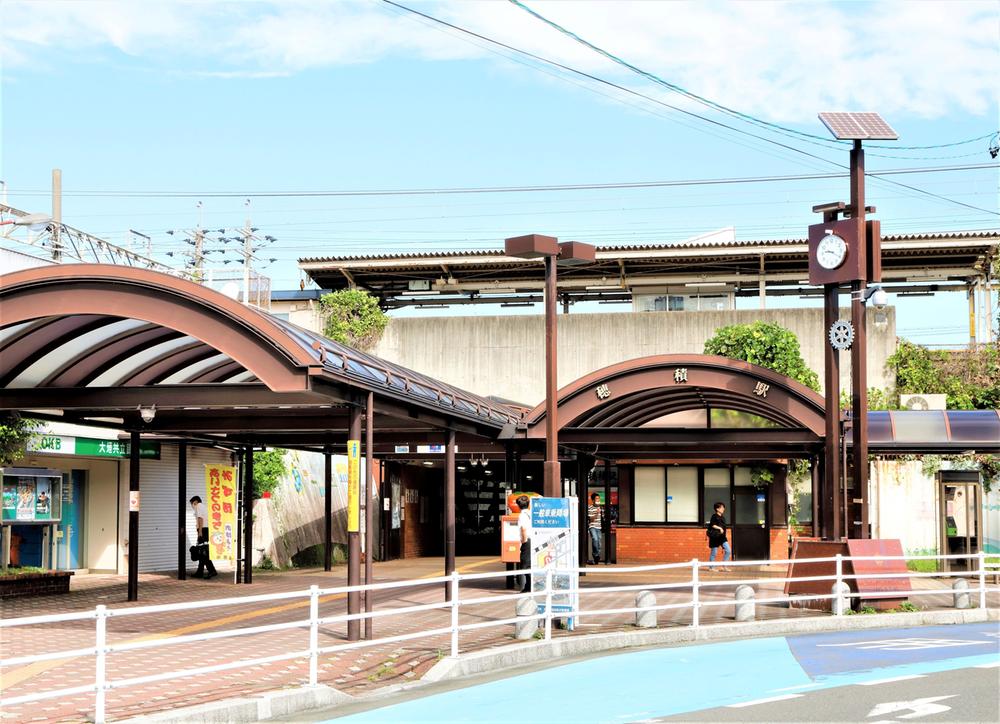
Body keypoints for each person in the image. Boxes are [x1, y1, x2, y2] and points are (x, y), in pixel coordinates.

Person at [189, 495, 217, 579]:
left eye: (192, 504)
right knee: (201, 551)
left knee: (203, 552)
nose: (192, 506)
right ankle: (200, 572)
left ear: (195, 502)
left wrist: (200, 532)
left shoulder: (198, 506)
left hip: (203, 531)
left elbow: (200, 519)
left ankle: (212, 570)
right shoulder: (203, 507)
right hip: (205, 530)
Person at [707, 502, 731, 571]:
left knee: (728, 550)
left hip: (722, 537)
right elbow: (712, 525)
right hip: (715, 537)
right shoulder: (714, 516)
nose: (723, 509)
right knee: (714, 553)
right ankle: (711, 568)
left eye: (724, 507)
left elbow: (724, 528)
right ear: (717, 509)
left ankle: (724, 566)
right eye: (722, 507)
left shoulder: (723, 517)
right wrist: (720, 528)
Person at [515, 495, 532, 593]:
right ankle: (528, 586)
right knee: (528, 564)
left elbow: (523, 528)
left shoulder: (522, 515)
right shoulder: (530, 514)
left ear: (518, 506)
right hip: (533, 540)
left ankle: (528, 587)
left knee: (525, 564)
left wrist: (524, 541)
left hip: (527, 541)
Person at [587, 492, 603, 564]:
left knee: (599, 543)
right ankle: (595, 555)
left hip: (599, 527)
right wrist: (597, 513)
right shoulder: (590, 508)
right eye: (596, 499)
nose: (598, 500)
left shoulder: (601, 507)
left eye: (599, 499)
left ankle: (596, 557)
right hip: (592, 526)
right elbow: (591, 519)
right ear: (593, 500)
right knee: (595, 539)